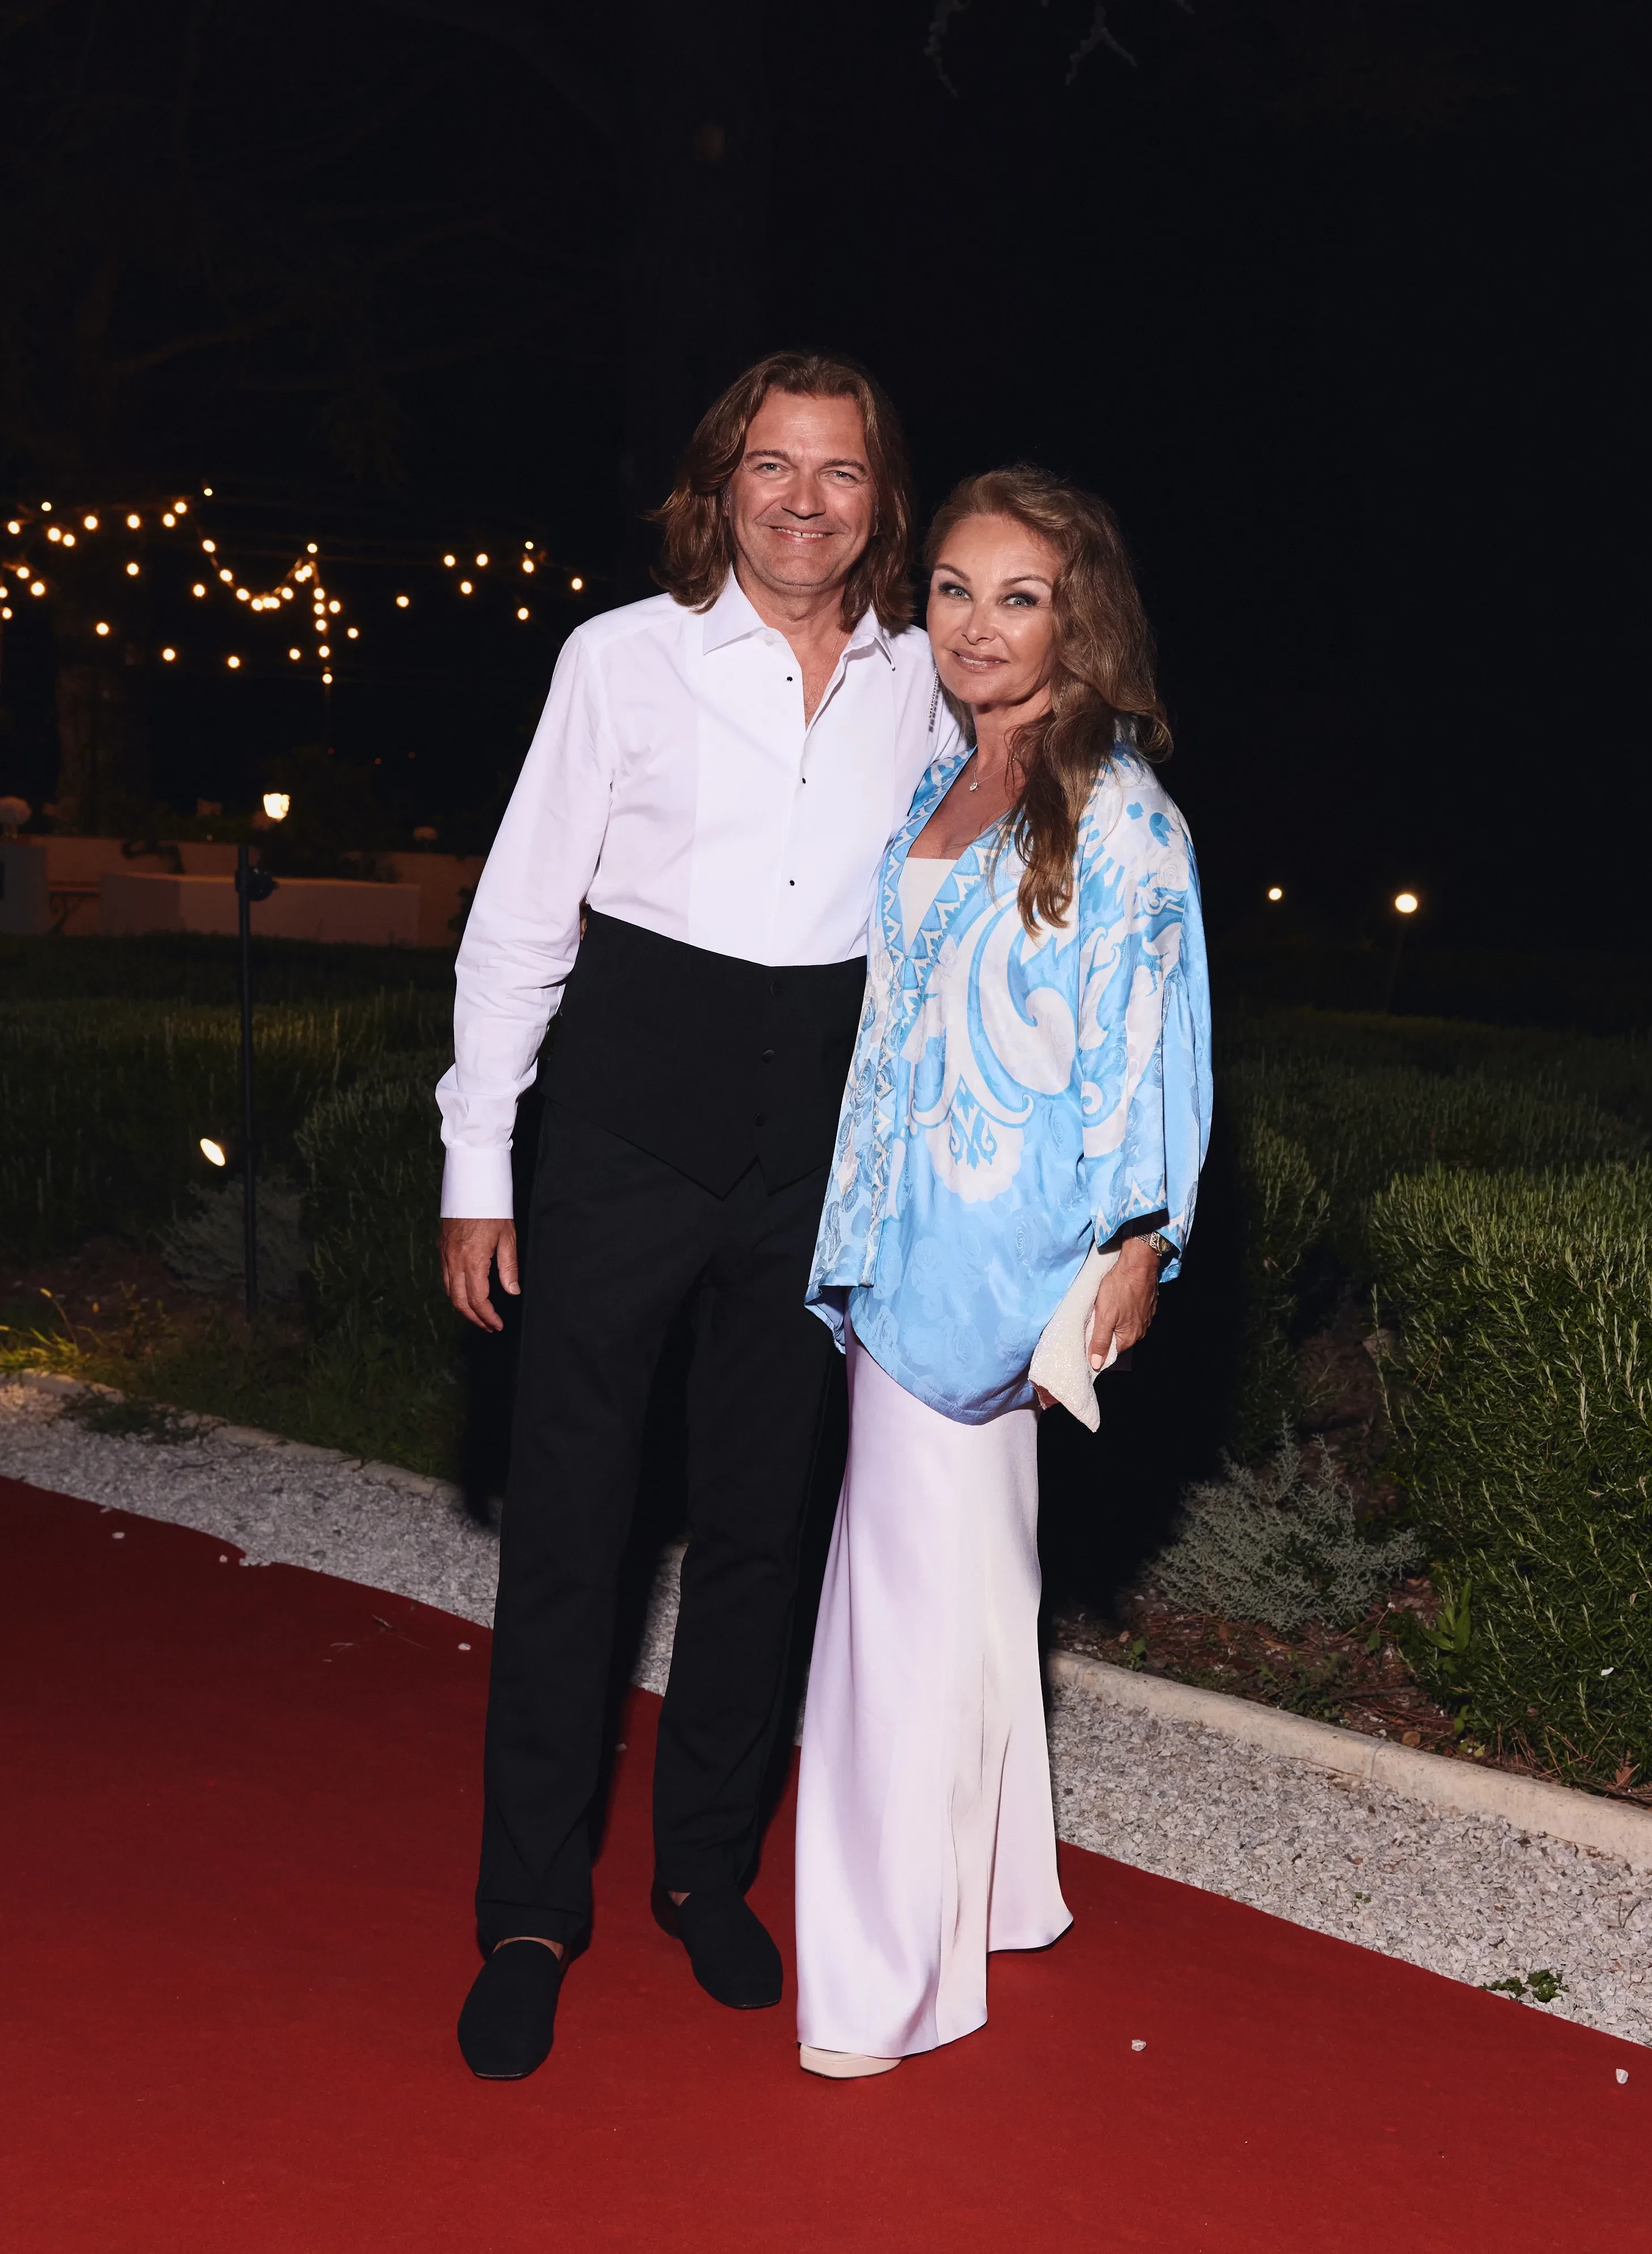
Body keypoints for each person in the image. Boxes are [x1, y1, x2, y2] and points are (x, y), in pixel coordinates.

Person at [438, 352, 959, 2080]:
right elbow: (521, 919)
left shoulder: (921, 681)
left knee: (761, 1526)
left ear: (882, 501)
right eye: (772, 467)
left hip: (812, 1154)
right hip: (620, 1138)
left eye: (841, 472)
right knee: (569, 1532)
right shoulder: (622, 659)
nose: (804, 501)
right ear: (720, 484)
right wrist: (478, 1163)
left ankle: (704, 1871)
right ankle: (529, 1914)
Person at [795, 466, 1213, 2078]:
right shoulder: (943, 776)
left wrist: (1133, 1243)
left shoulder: (1121, 812)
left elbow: (1150, 1042)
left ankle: (878, 1983)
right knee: (967, 1580)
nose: (976, 625)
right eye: (954, 590)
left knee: (896, 1609)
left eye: (1018, 597)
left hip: (1006, 1251)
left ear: (1075, 616)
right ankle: (1002, 1895)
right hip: (898, 1231)